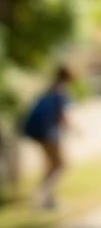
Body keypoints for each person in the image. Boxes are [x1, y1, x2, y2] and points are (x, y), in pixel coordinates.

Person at [22, 65, 76, 210]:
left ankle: (46, 198)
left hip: (41, 133)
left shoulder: (49, 90)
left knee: (52, 165)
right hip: (50, 133)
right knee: (60, 164)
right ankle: (46, 198)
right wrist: (76, 130)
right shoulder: (61, 92)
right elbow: (64, 117)